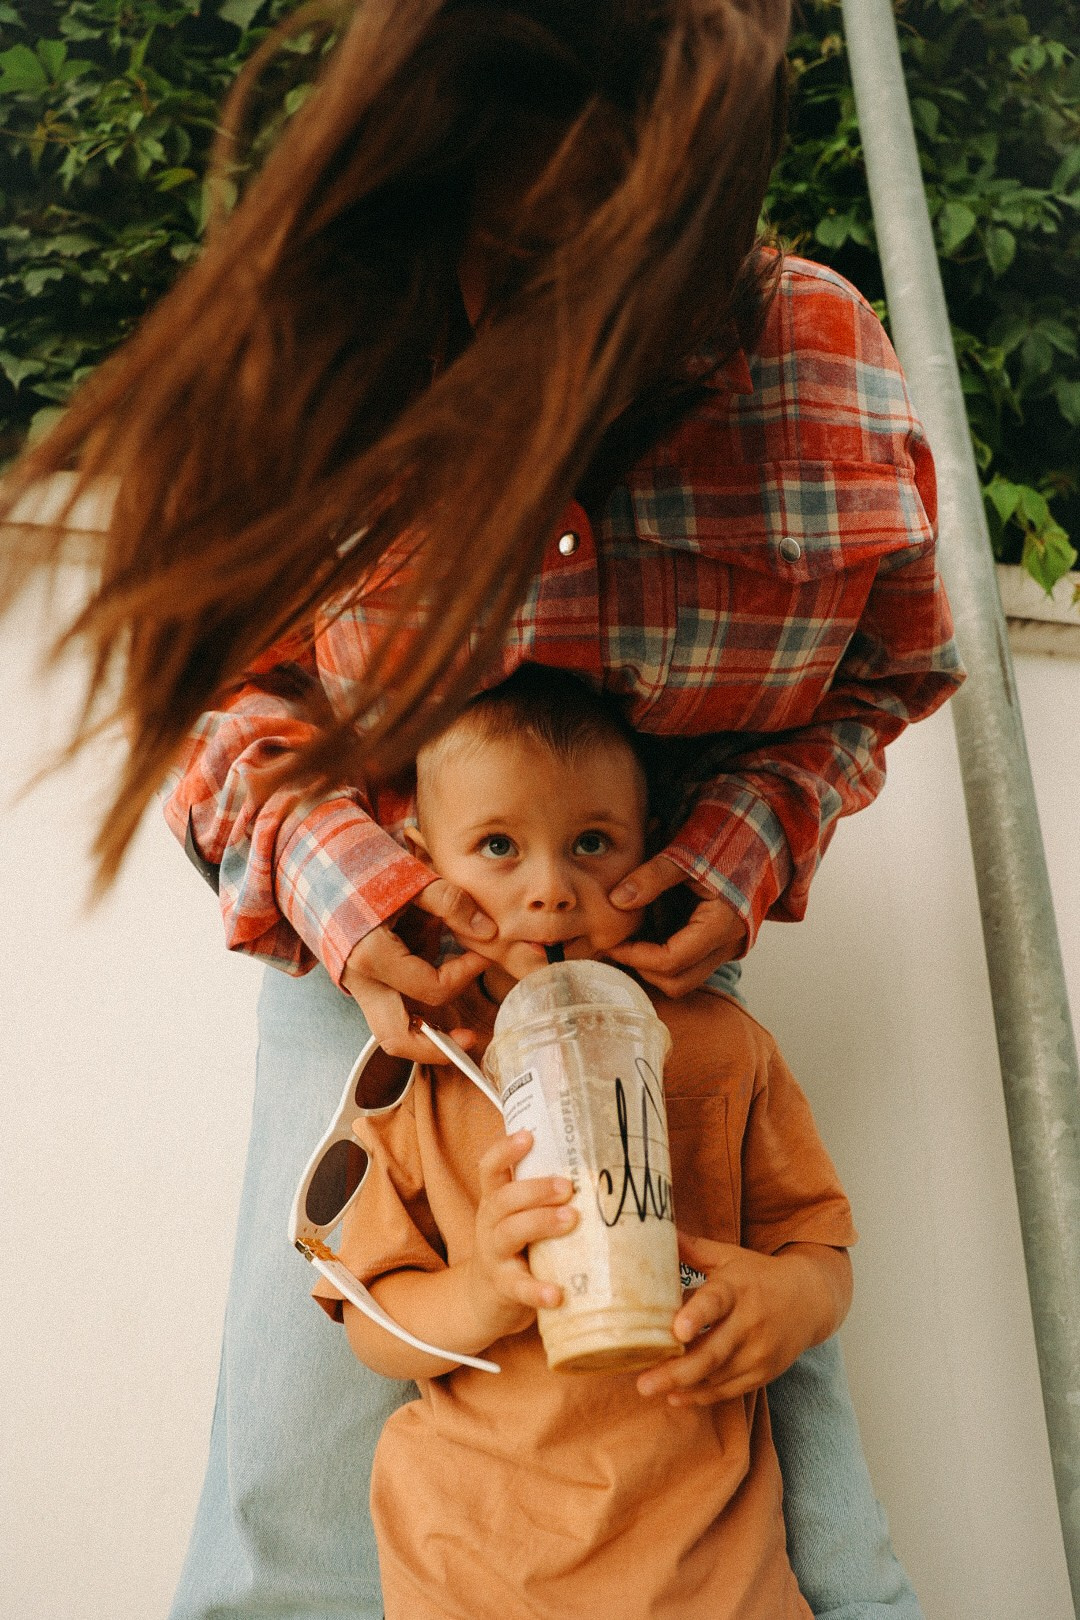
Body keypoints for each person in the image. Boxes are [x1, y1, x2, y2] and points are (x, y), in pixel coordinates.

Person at [0, 3, 964, 1616]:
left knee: (762, 1411)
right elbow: (227, 690)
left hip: (656, 993)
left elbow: (878, 681)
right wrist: (366, 901)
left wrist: (729, 856)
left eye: (609, 252)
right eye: (507, 240)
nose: (539, 302)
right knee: (293, 1454)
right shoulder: (336, 341)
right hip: (380, 990)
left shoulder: (816, 355)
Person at [311, 664, 858, 1620]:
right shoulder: (423, 1072)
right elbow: (371, 1321)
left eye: (593, 844)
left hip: (706, 1562)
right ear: (422, 863)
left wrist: (793, 1301)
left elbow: (819, 1248)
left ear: (651, 854)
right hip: (474, 1561)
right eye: (496, 846)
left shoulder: (722, 1050)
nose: (552, 891)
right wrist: (482, 1287)